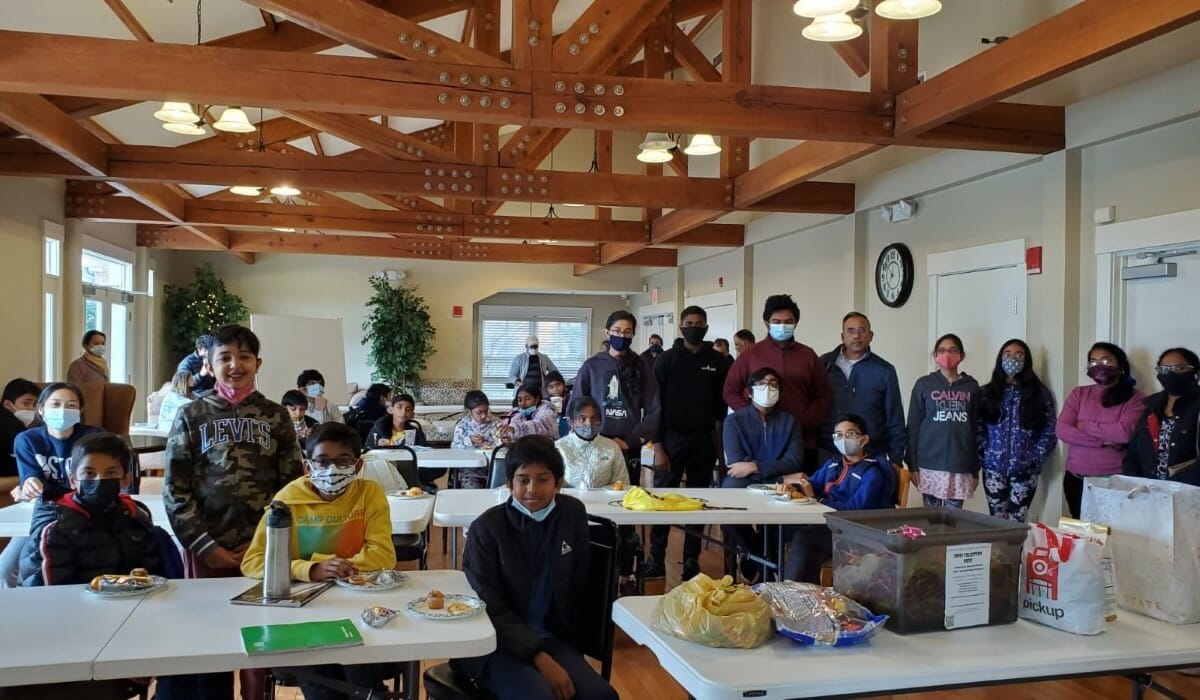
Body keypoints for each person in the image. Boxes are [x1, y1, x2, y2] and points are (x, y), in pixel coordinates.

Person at [159, 324, 304, 700]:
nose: (235, 365)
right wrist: (205, 545)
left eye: (244, 357)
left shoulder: (275, 416)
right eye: (225, 357)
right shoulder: (191, 416)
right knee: (212, 636)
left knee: (260, 636)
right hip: (208, 545)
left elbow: (292, 487)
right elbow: (175, 488)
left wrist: (271, 545)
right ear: (209, 363)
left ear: (258, 363)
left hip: (265, 550)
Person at [450, 435, 618, 700]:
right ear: (509, 483)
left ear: (559, 483)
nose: (532, 489)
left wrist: (565, 651)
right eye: (523, 479)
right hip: (493, 644)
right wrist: (540, 658)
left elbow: (579, 583)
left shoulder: (572, 515)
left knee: (602, 696)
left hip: (554, 638)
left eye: (543, 479)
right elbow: (488, 606)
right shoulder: (487, 530)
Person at [241, 422, 396, 700]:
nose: (332, 470)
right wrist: (311, 569)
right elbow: (253, 562)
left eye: (343, 461)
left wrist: (334, 567)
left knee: (364, 675)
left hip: (360, 608)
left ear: (358, 465)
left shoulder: (369, 494)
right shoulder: (285, 501)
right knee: (322, 683)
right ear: (307, 465)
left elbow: (384, 555)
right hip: (305, 616)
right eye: (322, 461)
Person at [8, 433, 159, 700]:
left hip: (125, 634)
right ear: (73, 479)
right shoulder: (55, 529)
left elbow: (150, 584)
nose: (99, 480)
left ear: (125, 478)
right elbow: (50, 606)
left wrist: (138, 648)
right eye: (88, 473)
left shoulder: (137, 518)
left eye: (111, 472)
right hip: (60, 646)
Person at [646, 305, 729, 581]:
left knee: (697, 501)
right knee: (662, 499)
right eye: (689, 322)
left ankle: (691, 558)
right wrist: (657, 445)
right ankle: (656, 557)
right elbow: (655, 407)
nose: (695, 326)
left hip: (704, 439)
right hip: (670, 438)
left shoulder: (719, 362)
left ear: (706, 326)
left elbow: (724, 406)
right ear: (681, 327)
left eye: (700, 322)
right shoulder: (666, 360)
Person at [2, 382, 102, 588]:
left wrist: (46, 488)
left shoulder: (94, 438)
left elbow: (93, 486)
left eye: (71, 405)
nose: (63, 410)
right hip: (43, 515)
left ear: (80, 411)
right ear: (41, 409)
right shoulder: (27, 440)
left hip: (88, 514)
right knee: (5, 570)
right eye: (55, 404)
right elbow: (29, 477)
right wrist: (29, 485)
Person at [779, 414, 895, 583]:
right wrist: (794, 487)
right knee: (784, 531)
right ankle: (807, 593)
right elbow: (812, 483)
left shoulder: (872, 473)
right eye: (838, 435)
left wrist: (818, 500)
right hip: (830, 524)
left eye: (850, 434)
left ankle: (789, 590)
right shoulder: (834, 464)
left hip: (857, 533)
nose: (843, 439)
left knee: (805, 537)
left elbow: (855, 509)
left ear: (864, 439)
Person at [723, 294, 831, 473]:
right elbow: (730, 391)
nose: (783, 326)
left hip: (803, 440)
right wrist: (753, 418)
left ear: (796, 323)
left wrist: (804, 421)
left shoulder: (808, 355)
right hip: (758, 441)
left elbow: (824, 394)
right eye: (777, 321)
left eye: (788, 321)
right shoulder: (751, 355)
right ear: (766, 323)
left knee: (799, 493)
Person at [721, 367, 804, 581]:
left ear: (781, 392)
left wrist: (756, 468)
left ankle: (759, 558)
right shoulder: (734, 421)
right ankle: (759, 554)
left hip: (776, 483)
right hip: (752, 482)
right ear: (749, 392)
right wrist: (780, 475)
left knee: (800, 494)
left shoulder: (790, 422)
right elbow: (737, 466)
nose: (768, 388)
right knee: (727, 495)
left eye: (774, 384)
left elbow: (794, 460)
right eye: (761, 384)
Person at [569, 310, 660, 486]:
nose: (622, 335)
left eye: (627, 332)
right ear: (607, 332)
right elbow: (575, 407)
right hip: (594, 445)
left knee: (625, 496)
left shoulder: (641, 367)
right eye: (617, 331)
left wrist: (631, 441)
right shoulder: (592, 367)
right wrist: (598, 438)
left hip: (628, 447)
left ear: (633, 334)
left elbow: (654, 410)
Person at [1057, 342, 1144, 518]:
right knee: (1082, 534)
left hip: (1114, 480)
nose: (1098, 366)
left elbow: (1124, 433)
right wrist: (1103, 440)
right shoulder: (1079, 394)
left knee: (1113, 534)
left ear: (1120, 366)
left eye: (1105, 361)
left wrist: (1084, 425)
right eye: (1093, 361)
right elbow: (1062, 430)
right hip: (1076, 478)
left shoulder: (1135, 398)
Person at [978, 339, 1058, 522]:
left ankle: (1017, 552)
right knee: (996, 520)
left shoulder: (1039, 394)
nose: (1012, 358)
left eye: (1019, 355)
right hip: (993, 469)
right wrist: (984, 452)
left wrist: (1034, 457)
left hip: (1025, 470)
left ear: (1026, 361)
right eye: (1007, 353)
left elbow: (1050, 428)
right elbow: (977, 425)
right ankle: (998, 552)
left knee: (1017, 522)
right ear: (1000, 358)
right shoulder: (986, 393)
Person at [906, 333, 982, 509]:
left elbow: (976, 428)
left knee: (953, 520)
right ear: (935, 356)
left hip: (960, 464)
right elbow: (913, 426)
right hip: (929, 464)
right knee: (930, 519)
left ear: (962, 356)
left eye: (953, 350)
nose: (947, 354)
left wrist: (975, 468)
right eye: (941, 350)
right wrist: (913, 465)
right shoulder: (923, 384)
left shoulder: (972, 386)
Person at [819, 312, 906, 466]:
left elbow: (895, 418)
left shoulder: (884, 371)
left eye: (862, 330)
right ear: (842, 336)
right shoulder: (823, 365)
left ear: (871, 335)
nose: (856, 336)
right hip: (827, 454)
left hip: (870, 454)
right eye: (851, 331)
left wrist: (896, 460)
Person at [1122, 347, 1200, 487]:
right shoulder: (1152, 406)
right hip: (1149, 493)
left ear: (1195, 372)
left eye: (1179, 368)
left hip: (1188, 495)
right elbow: (1134, 452)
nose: (1170, 373)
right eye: (1164, 369)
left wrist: (1169, 487)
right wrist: (1136, 483)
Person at [367, 393, 442, 490]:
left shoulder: (416, 433)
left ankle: (407, 481)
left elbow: (426, 453)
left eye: (408, 409)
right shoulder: (378, 430)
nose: (403, 412)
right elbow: (366, 451)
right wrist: (377, 446)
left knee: (440, 467)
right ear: (391, 410)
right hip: (386, 468)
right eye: (399, 407)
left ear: (412, 414)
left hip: (410, 468)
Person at [555, 396, 627, 489]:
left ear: (600, 421)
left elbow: (621, 484)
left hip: (604, 502)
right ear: (571, 422)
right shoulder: (559, 448)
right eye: (582, 419)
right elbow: (553, 487)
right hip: (569, 502)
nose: (589, 423)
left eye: (594, 418)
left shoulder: (612, 447)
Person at [451, 390, 502, 489]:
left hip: (493, 468)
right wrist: (469, 440)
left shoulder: (496, 423)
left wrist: (502, 439)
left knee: (501, 488)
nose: (484, 415)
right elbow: (454, 448)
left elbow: (502, 445)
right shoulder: (462, 425)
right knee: (471, 489)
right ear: (468, 411)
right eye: (479, 412)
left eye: (486, 411)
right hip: (470, 470)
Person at [1, 378, 39, 499]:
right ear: (8, 405)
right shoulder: (8, 426)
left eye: (35, 404)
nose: (32, 409)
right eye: (26, 403)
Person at [543, 371, 571, 437]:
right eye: (551, 387)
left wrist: (564, 403)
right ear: (547, 389)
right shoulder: (545, 402)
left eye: (558, 385)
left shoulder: (571, 398)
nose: (556, 389)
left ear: (564, 385)